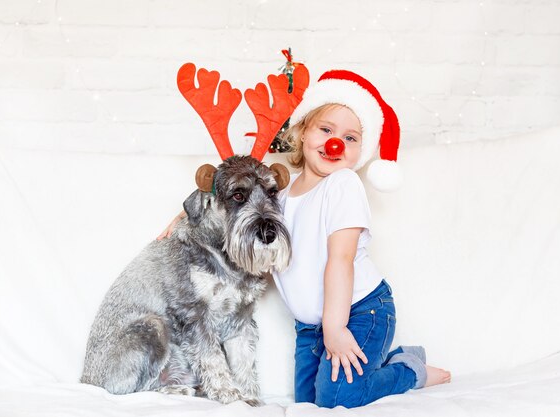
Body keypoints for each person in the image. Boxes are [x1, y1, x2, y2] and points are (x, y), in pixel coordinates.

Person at [158, 69, 450, 408]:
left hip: (358, 313)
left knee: (337, 397)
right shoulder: (278, 191)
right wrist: (181, 217)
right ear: (302, 132)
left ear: (361, 151)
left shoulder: (343, 185)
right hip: (310, 328)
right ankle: (377, 364)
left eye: (351, 138)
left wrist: (337, 329)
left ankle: (409, 369)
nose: (335, 142)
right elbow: (233, 199)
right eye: (325, 129)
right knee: (307, 403)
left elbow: (341, 260)